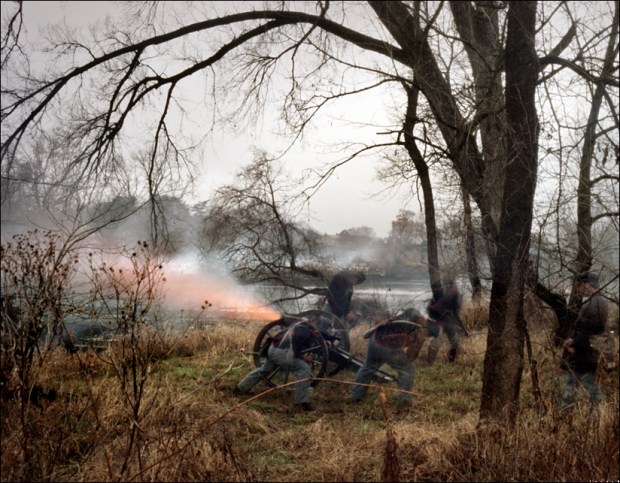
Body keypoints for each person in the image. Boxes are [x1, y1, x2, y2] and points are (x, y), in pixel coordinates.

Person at [233, 320, 320, 411]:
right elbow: (294, 348)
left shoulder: (297, 327)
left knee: (265, 369)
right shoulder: (304, 331)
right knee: (303, 369)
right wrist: (303, 358)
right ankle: (301, 403)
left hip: (272, 349)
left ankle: (240, 388)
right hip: (281, 353)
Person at [351, 310, 426, 408]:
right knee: (408, 370)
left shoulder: (396, 319)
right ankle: (404, 402)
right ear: (417, 318)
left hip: (374, 340)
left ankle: (356, 395)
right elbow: (412, 352)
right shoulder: (412, 326)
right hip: (386, 346)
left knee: (368, 367)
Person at [560, 271, 608, 413]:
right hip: (587, 354)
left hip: (584, 355)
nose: (579, 289)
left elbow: (589, 330)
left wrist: (573, 343)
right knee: (581, 388)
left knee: (582, 390)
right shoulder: (599, 301)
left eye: (579, 285)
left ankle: (570, 418)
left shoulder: (595, 303)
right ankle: (589, 421)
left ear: (587, 284)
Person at [425, 276, 466, 364]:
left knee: (454, 342)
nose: (448, 286)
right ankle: (429, 362)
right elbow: (429, 309)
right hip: (439, 322)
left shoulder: (456, 295)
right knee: (436, 342)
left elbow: (458, 311)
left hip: (450, 323)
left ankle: (451, 362)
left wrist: (461, 326)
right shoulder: (438, 294)